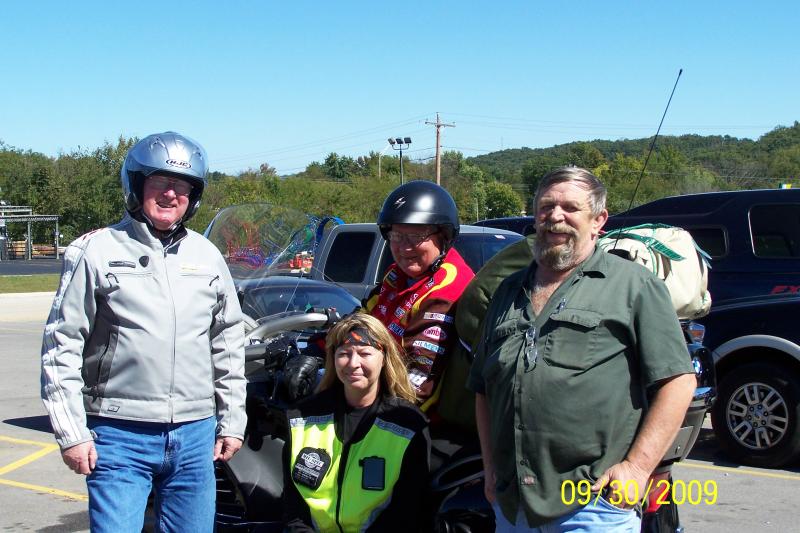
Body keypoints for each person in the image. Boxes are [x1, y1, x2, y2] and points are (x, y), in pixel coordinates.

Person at [467, 166, 697, 531]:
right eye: (546, 207)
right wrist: (491, 468)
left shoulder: (633, 286)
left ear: (598, 220)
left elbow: (678, 381)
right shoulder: (508, 292)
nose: (555, 217)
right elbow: (483, 387)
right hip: (514, 507)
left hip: (590, 505)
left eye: (570, 208)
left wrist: (637, 468)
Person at [40, 131, 247, 532]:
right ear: (136, 186)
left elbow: (228, 342)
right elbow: (61, 344)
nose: (171, 194)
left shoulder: (207, 256)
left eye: (182, 186)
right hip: (118, 434)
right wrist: (71, 432)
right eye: (160, 183)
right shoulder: (96, 251)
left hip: (195, 434)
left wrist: (232, 419)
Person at [283, 313, 430, 532]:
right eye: (344, 353)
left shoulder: (408, 425)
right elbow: (293, 507)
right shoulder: (301, 418)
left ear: (384, 358)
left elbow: (407, 513)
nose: (353, 363)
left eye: (364, 353)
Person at [364, 181, 475, 409]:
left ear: (444, 236)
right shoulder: (397, 275)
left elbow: (418, 380)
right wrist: (322, 346)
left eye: (416, 236)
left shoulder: (448, 287)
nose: (404, 248)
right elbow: (363, 317)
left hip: (414, 419)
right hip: (379, 390)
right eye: (396, 236)